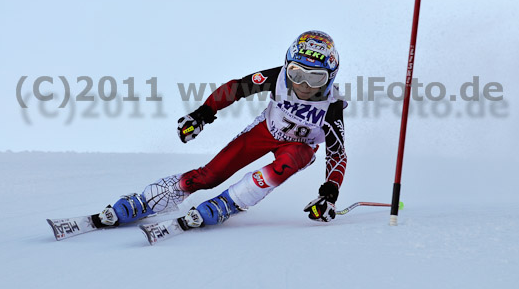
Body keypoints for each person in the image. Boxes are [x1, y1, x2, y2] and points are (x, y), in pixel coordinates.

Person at [93, 30, 348, 231]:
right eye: (296, 72)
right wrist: (202, 114)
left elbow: (337, 155)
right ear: (287, 66)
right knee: (210, 176)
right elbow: (236, 88)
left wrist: (329, 194)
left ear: (331, 77)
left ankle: (231, 201)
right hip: (264, 132)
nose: (302, 84)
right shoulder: (278, 77)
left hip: (299, 146)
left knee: (292, 159)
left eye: (315, 78)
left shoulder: (332, 108)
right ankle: (147, 200)